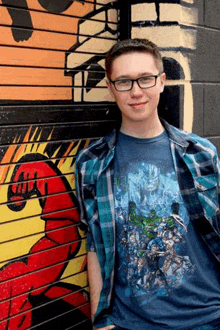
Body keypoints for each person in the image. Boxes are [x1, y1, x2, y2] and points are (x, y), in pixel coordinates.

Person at [75, 38, 220, 330]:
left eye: (145, 79)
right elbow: (94, 244)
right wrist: (99, 321)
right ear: (110, 86)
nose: (136, 91)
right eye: (124, 82)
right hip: (131, 323)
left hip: (208, 318)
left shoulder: (200, 153)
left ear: (162, 81)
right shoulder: (91, 162)